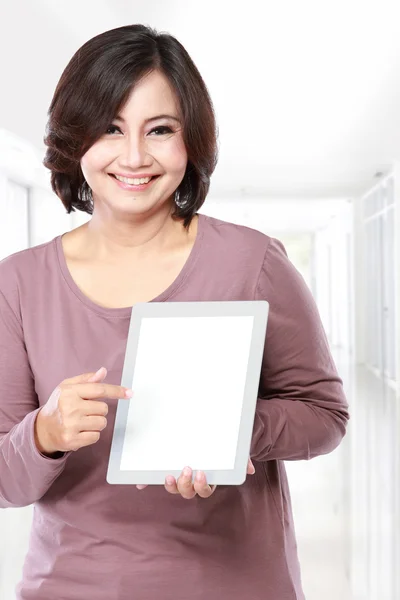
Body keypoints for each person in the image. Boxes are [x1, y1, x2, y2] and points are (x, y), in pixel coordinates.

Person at [0, 24, 349, 600]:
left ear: (192, 141)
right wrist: (46, 432)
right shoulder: (18, 284)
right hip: (73, 586)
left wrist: (232, 433)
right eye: (110, 129)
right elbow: (7, 482)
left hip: (233, 584)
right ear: (73, 139)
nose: (134, 156)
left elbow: (325, 415)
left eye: (160, 130)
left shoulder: (253, 262)